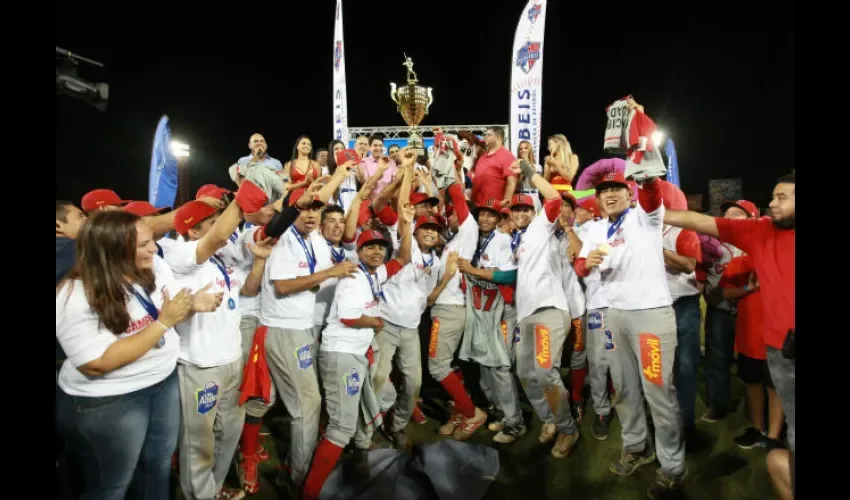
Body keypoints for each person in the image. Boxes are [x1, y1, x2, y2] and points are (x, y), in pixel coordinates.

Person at [56, 210, 221, 500]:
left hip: (162, 382)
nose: (154, 248)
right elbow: (96, 363)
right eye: (143, 244)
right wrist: (163, 323)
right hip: (112, 400)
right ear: (113, 248)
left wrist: (194, 303)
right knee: (112, 484)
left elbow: (163, 307)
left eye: (151, 241)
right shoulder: (75, 293)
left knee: (156, 467)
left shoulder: (151, 266)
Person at [663, 173, 795, 455]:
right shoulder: (761, 231)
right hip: (777, 345)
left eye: (781, 197)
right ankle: (769, 436)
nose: (771, 203)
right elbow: (700, 221)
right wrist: (651, 212)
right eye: (772, 196)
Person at [574, 173, 686, 498]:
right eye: (603, 190)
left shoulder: (645, 216)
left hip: (650, 314)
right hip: (614, 314)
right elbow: (581, 265)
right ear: (597, 199)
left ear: (629, 192)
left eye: (616, 189)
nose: (609, 194)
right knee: (622, 387)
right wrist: (586, 263)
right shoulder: (596, 228)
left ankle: (672, 468)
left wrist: (646, 175)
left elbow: (651, 194)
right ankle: (636, 446)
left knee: (659, 395)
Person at [301, 207, 414, 500]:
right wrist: (377, 321)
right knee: (341, 426)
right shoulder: (354, 276)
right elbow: (350, 317)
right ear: (359, 251)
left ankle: (356, 451)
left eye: (381, 247)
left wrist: (408, 225)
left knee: (385, 396)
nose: (377, 252)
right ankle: (309, 491)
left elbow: (403, 258)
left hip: (357, 352)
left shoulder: (373, 273)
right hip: (342, 354)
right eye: (370, 247)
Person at [509, 160, 580, 459]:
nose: (522, 213)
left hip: (550, 309)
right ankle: (551, 419)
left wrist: (528, 171)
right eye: (517, 210)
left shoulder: (542, 224)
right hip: (526, 315)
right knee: (524, 372)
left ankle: (568, 428)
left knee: (544, 371)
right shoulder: (518, 241)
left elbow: (553, 198)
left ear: (533, 211)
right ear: (511, 216)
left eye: (527, 208)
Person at [470, 126, 517, 208]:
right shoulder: (482, 157)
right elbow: (477, 182)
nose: (485, 137)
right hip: (479, 208)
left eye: (488, 135)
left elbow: (511, 183)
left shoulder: (507, 156)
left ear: (497, 137)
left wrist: (505, 207)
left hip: (495, 209)